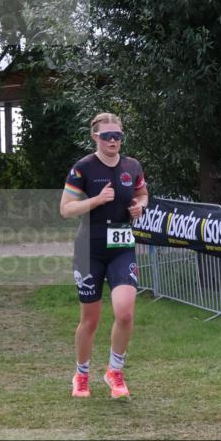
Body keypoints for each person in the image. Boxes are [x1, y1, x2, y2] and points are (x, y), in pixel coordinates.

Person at [59, 113, 148, 399]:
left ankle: (115, 371)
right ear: (95, 137)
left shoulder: (132, 166)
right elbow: (66, 209)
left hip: (122, 249)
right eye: (107, 136)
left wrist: (139, 206)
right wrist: (96, 200)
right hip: (89, 250)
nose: (113, 141)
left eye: (117, 136)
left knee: (125, 311)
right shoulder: (83, 167)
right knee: (91, 320)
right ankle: (81, 375)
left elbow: (143, 194)